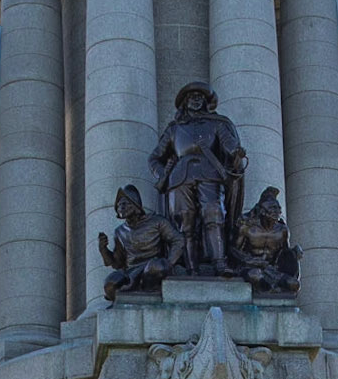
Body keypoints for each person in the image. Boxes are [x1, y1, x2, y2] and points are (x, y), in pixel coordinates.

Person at [147, 82, 247, 274]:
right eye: (191, 96)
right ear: (185, 102)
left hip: (209, 173)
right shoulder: (174, 129)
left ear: (206, 102)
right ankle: (190, 267)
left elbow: (228, 143)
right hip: (179, 177)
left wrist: (235, 151)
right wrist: (164, 175)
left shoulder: (217, 124)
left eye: (200, 96)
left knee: (214, 213)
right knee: (185, 222)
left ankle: (219, 263)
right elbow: (154, 158)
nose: (195, 99)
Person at [98, 185, 182, 301]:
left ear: (135, 204)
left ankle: (148, 294)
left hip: (152, 266)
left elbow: (178, 240)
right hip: (131, 271)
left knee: (156, 267)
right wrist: (103, 249)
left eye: (124, 203)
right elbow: (117, 263)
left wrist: (169, 263)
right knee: (110, 285)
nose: (120, 207)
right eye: (118, 205)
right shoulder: (119, 232)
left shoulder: (157, 221)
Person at [232, 186, 301, 293]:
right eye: (272, 208)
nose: (276, 212)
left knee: (294, 284)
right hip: (249, 267)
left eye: (278, 208)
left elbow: (283, 253)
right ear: (262, 211)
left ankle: (273, 290)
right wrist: (249, 260)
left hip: (271, 269)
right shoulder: (247, 228)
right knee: (255, 275)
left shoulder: (282, 230)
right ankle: (270, 291)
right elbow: (234, 250)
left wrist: (294, 252)